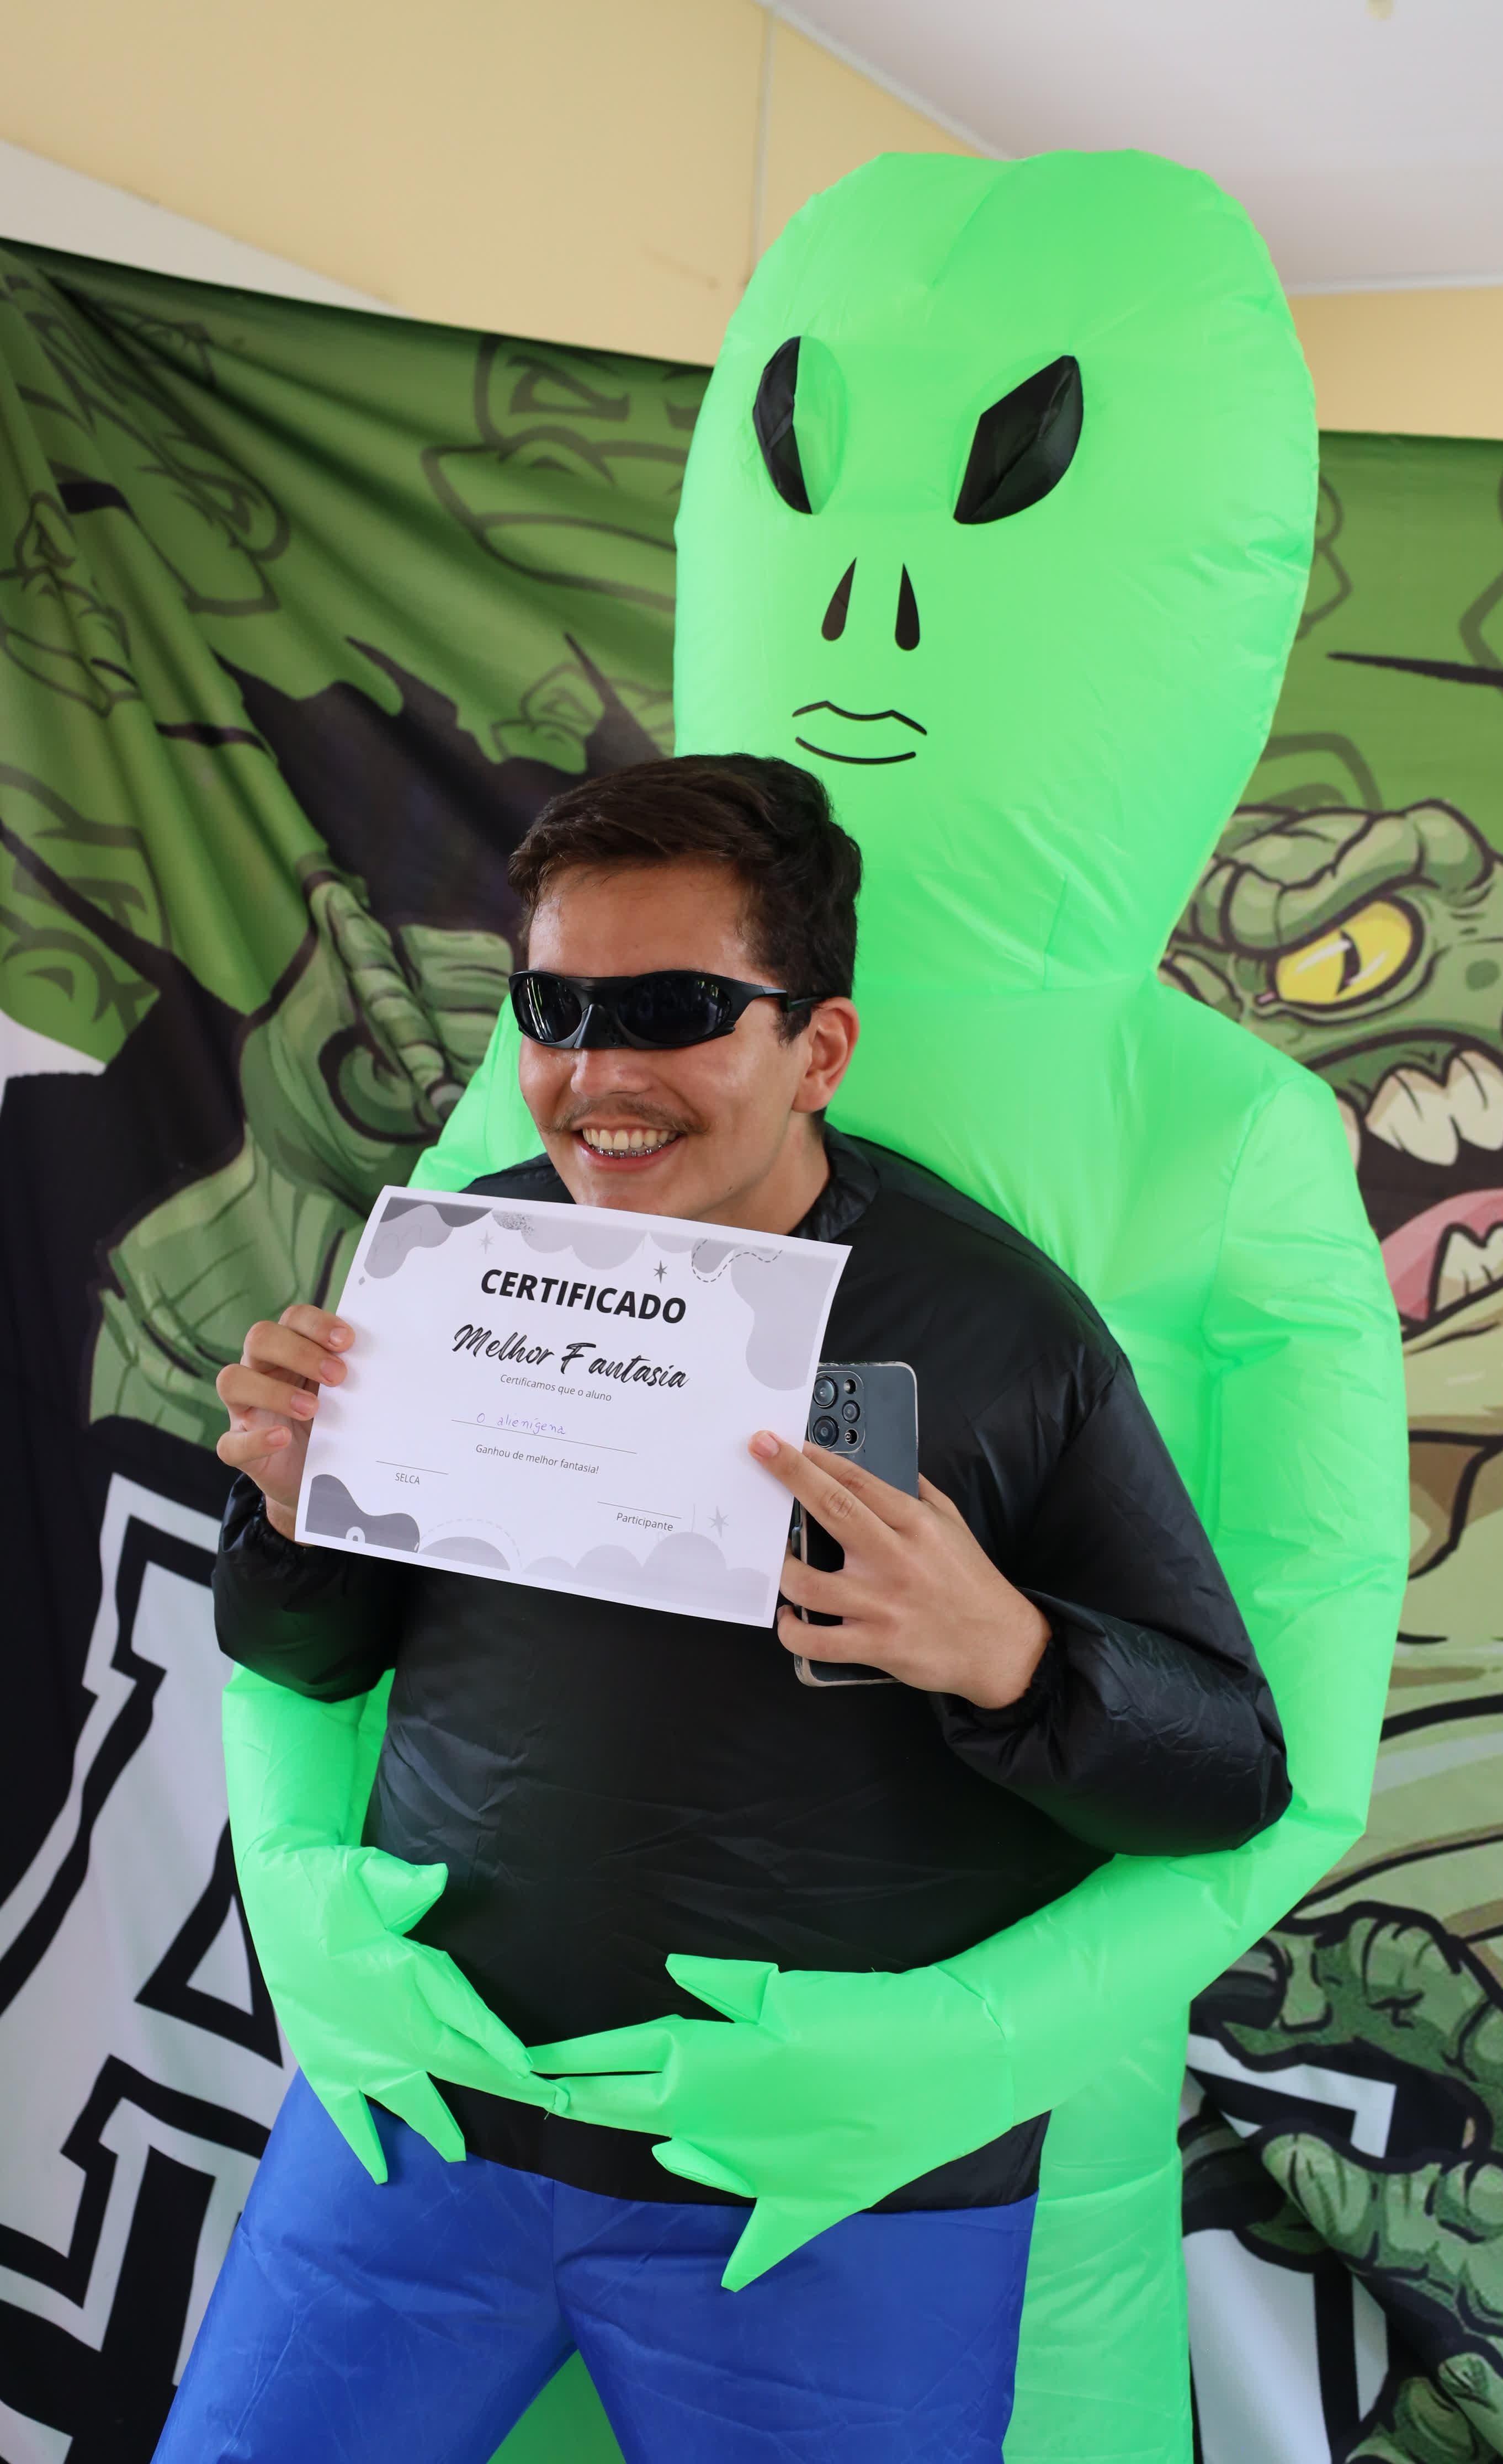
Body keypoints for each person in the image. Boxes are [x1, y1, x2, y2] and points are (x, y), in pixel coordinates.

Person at [162, 754, 1292, 2464]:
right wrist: (289, 1514)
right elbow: (306, 1652)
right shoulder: (459, 1267)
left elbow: (1230, 1776)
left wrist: (1009, 1654)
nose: (599, 1074)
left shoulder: (1003, 1331)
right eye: (554, 1008)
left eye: (675, 1010)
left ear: (818, 1049)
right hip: (422, 2128)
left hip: (815, 2203)